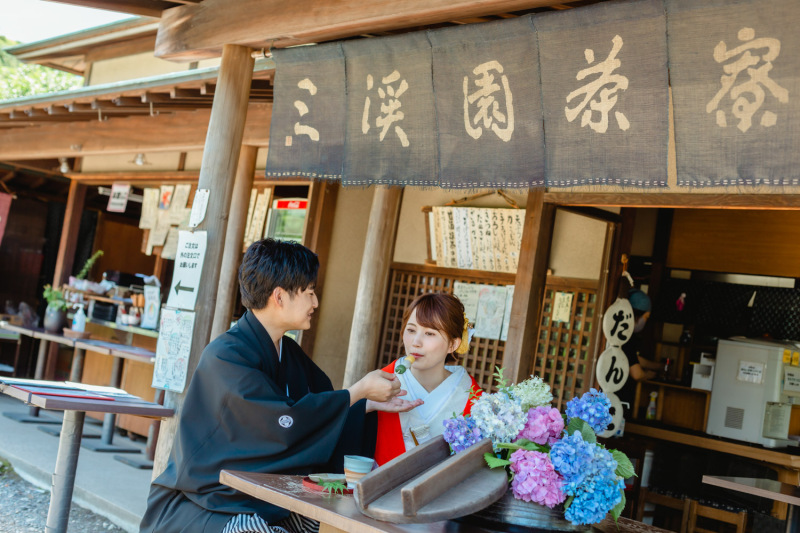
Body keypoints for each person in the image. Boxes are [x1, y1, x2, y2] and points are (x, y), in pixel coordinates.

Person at [140, 239, 421, 533]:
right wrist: (357, 392)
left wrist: (365, 404)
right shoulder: (225, 357)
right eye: (309, 293)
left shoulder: (289, 352)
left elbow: (319, 410)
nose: (315, 303)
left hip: (263, 494)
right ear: (279, 296)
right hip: (207, 499)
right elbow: (282, 424)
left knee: (332, 522)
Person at [374, 293, 482, 465]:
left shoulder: (472, 397)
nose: (416, 342)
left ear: (453, 344)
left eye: (430, 333)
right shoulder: (380, 383)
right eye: (411, 330)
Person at [617, 287, 663, 416]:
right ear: (636, 315)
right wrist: (648, 375)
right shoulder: (627, 336)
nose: (645, 321)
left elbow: (632, 359)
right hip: (617, 393)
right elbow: (637, 374)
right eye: (646, 317)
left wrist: (659, 366)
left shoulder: (618, 331)